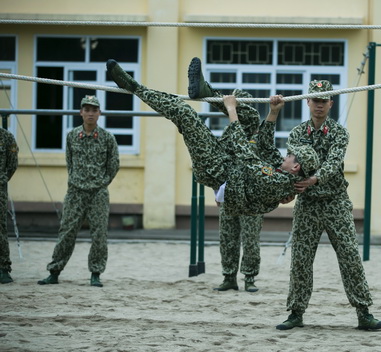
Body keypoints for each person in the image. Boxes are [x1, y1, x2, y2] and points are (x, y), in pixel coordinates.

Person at [105, 59, 318, 220]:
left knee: (185, 114)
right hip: (229, 163)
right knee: (252, 117)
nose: (286, 155)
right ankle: (204, 90)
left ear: (296, 166)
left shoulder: (278, 182)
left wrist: (231, 109)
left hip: (215, 169)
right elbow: (265, 145)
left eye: (290, 155)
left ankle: (133, 87)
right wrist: (274, 112)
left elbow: (246, 154)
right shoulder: (284, 176)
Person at [276, 80, 381, 331]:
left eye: (323, 101)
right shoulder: (296, 134)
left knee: (349, 256)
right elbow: (293, 165)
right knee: (301, 259)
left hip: (335, 201)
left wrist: (313, 178)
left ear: (331, 104)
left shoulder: (339, 133)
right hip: (308, 204)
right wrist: (289, 188)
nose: (319, 105)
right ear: (307, 102)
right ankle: (296, 313)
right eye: (315, 100)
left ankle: (363, 313)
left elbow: (334, 163)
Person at [188, 58, 264, 293]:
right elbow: (220, 167)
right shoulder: (228, 135)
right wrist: (217, 192)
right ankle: (229, 276)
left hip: (252, 197)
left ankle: (249, 278)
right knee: (227, 238)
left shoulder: (260, 135)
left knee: (250, 240)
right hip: (229, 195)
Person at [38, 95, 120, 287]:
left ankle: (95, 273)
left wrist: (102, 183)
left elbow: (114, 165)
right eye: (87, 109)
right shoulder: (72, 135)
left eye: (94, 110)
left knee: (99, 234)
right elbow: (70, 162)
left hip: (98, 193)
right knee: (66, 232)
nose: (90, 113)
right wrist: (76, 181)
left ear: (99, 113)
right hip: (75, 192)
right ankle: (54, 271)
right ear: (81, 112)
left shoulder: (107, 138)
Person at [0, 127, 19, 284]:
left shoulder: (6, 138)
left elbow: (12, 165)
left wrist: (2, 180)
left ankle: (3, 268)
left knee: (0, 228)